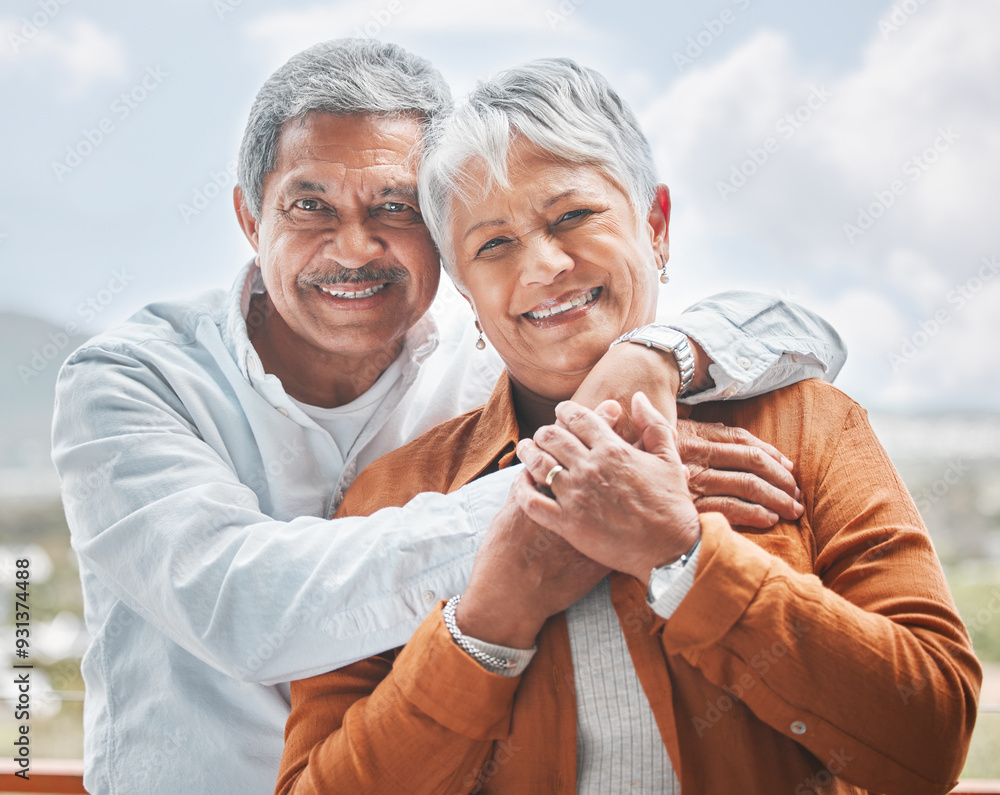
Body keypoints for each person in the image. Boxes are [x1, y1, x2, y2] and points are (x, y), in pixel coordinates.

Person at [51, 41, 847, 794]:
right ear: (250, 221)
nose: (355, 247)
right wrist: (576, 490)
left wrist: (661, 353)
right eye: (310, 205)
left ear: (444, 231)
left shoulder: (495, 363)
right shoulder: (129, 381)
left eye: (394, 207)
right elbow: (243, 608)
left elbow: (798, 327)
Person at [276, 58, 980, 794]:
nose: (544, 264)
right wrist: (490, 618)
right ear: (467, 296)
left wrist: (683, 555)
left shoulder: (808, 424)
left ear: (656, 226)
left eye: (572, 216)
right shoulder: (390, 496)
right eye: (493, 245)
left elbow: (930, 734)